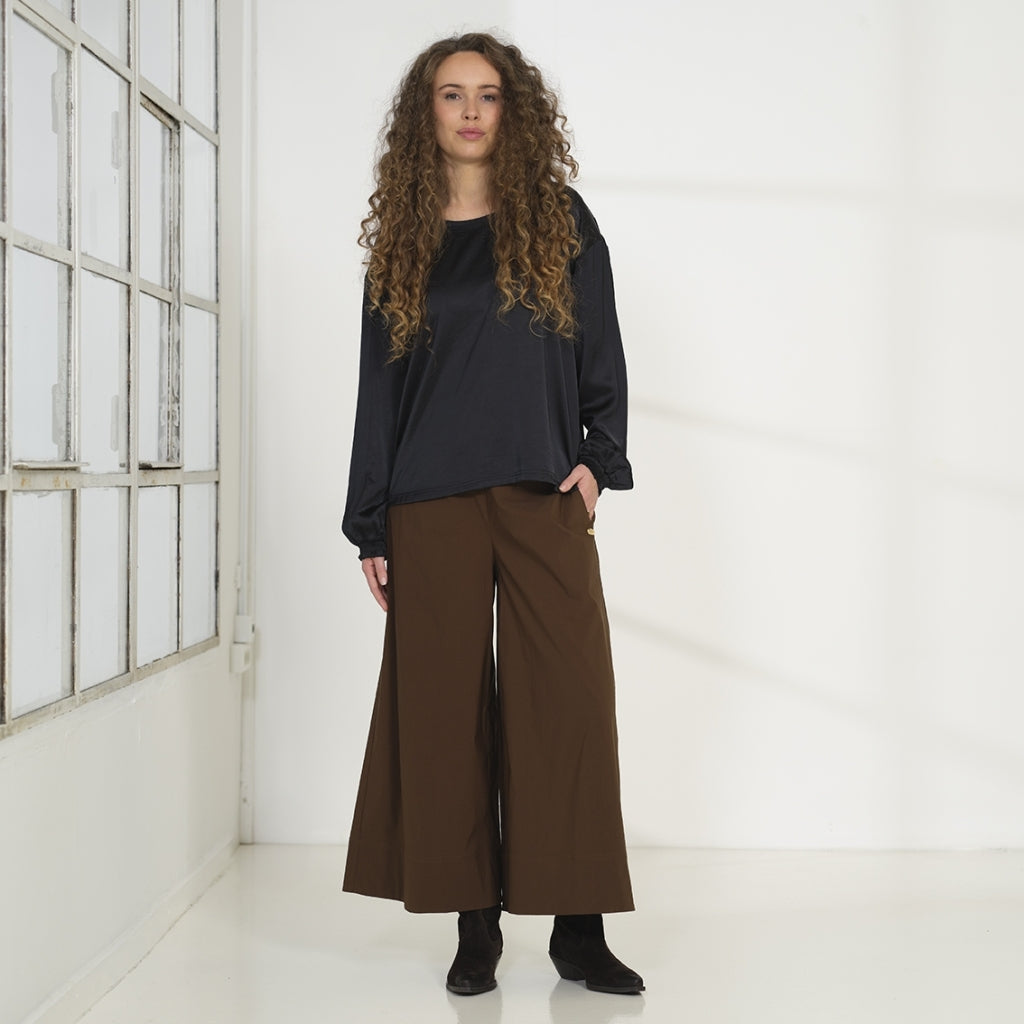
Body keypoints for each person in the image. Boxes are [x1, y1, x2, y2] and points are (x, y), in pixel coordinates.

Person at [341, 31, 643, 998]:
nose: (470, 110)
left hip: (542, 494)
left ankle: (578, 930)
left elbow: (602, 347)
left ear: (514, 110)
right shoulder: (404, 240)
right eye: (451, 94)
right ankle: (474, 928)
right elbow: (379, 391)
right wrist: (372, 521)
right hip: (429, 500)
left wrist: (597, 462)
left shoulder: (558, 218)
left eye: (488, 94)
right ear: (424, 113)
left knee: (570, 704)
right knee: (443, 713)